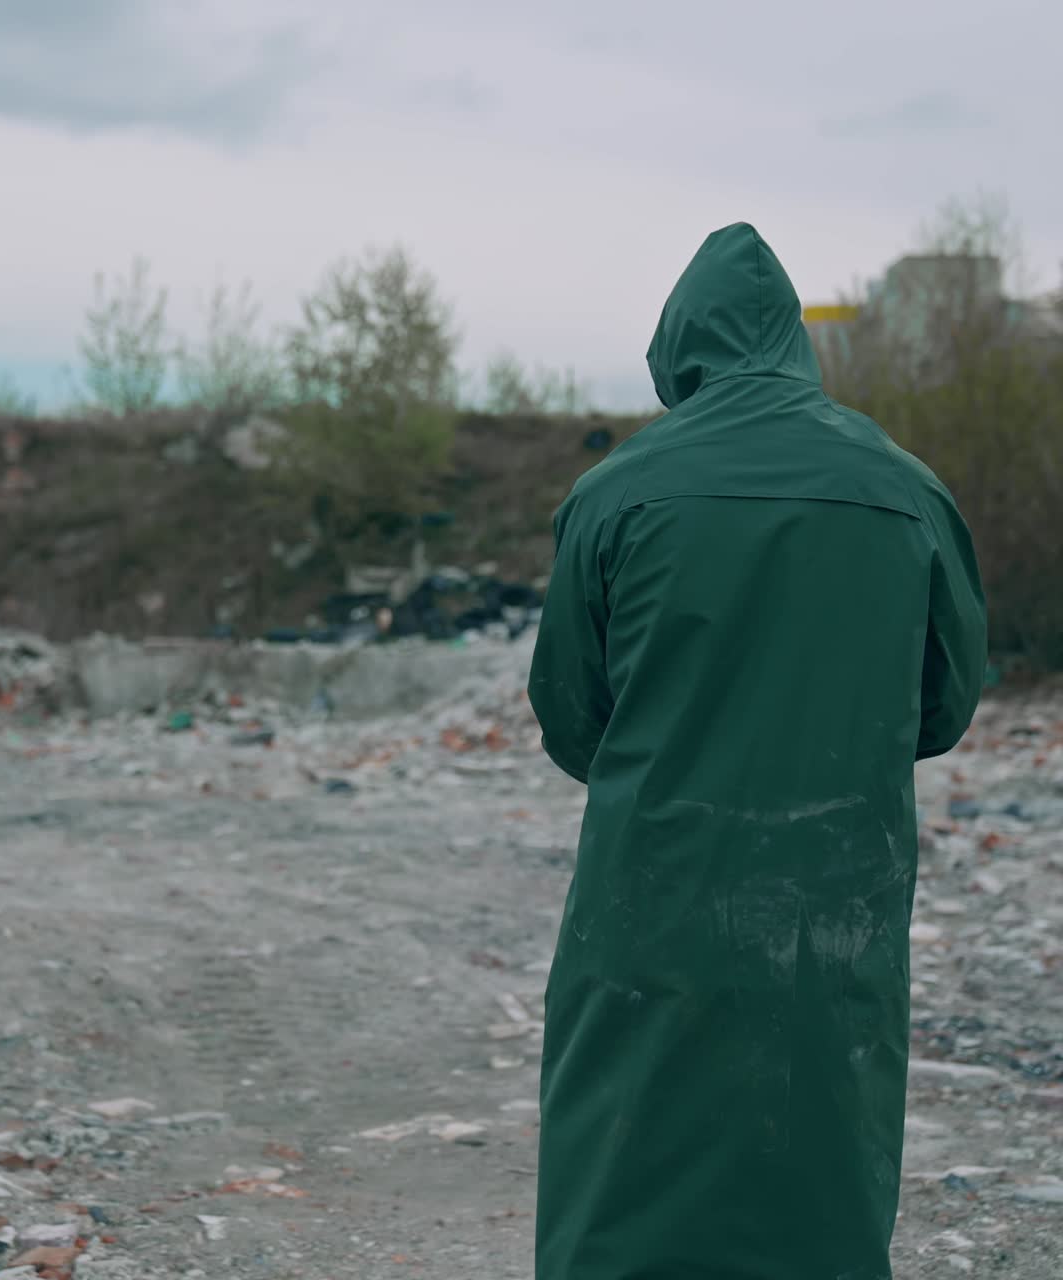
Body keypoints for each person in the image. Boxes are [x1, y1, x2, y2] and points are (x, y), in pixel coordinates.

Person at [528, 223, 987, 1280]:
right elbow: (943, 704)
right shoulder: (904, 489)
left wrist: (677, 756)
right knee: (820, 1139)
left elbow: (570, 715)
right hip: (838, 897)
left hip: (652, 889)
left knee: (626, 1146)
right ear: (793, 342)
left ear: (677, 349)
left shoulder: (614, 493)